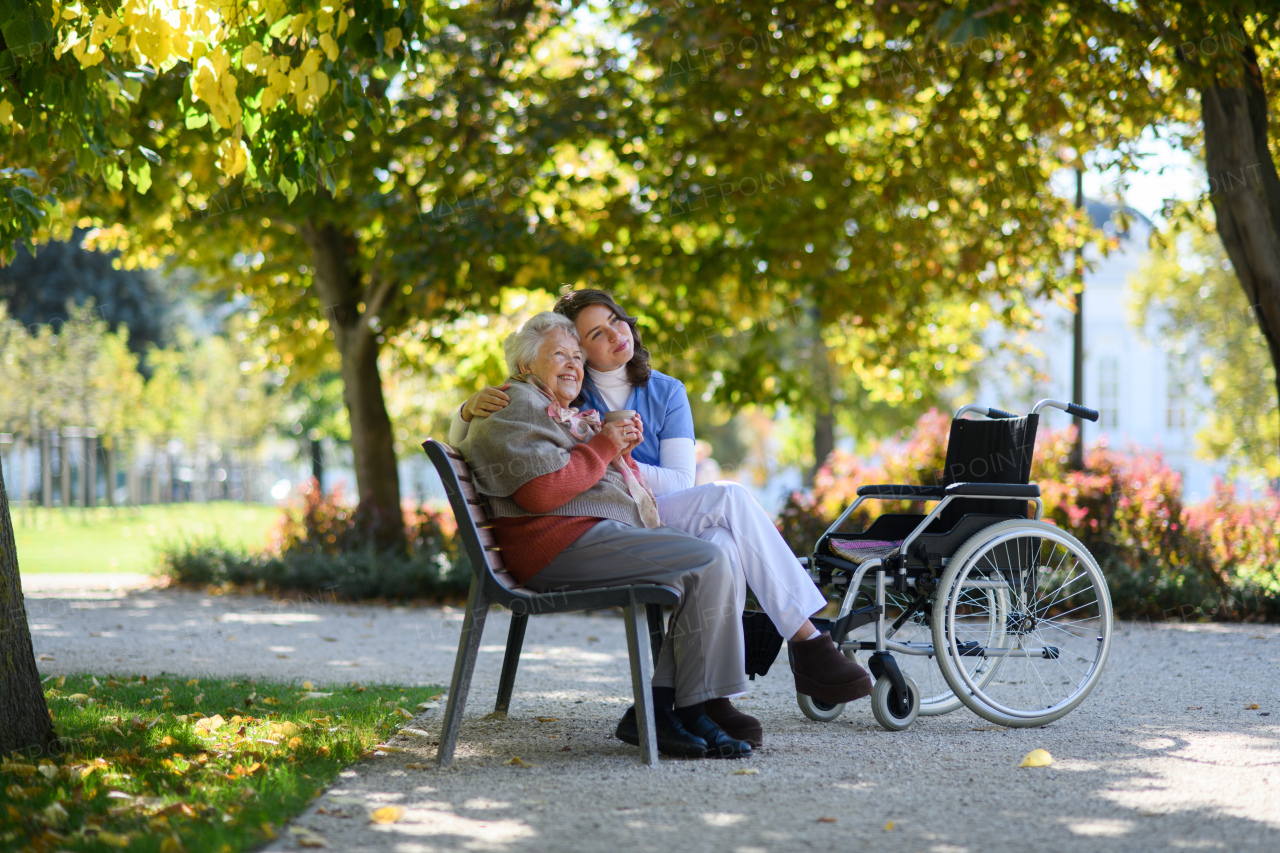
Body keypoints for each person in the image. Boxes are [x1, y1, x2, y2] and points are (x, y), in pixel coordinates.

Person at [450, 291, 872, 747]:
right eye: (585, 339)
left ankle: (699, 701)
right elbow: (520, 460)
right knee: (718, 539)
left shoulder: (655, 390)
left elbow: (676, 480)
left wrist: (614, 453)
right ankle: (786, 654)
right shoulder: (549, 396)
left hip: (625, 515)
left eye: (615, 322)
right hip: (585, 530)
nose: (612, 336)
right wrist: (467, 410)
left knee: (724, 543)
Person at [457, 311, 752, 760]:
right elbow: (542, 491)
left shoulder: (553, 410)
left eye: (578, 355)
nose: (574, 363)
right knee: (709, 561)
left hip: (582, 537)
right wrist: (604, 446)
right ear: (524, 366)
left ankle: (663, 709)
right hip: (558, 547)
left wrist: (617, 451)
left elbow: (581, 475)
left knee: (712, 559)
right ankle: (691, 709)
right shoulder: (514, 405)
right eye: (559, 354)